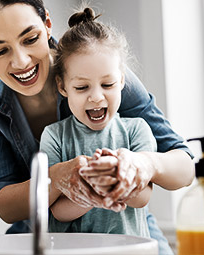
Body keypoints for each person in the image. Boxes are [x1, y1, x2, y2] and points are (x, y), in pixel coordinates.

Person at [0, 0, 194, 254]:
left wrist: (145, 164)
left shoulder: (98, 65)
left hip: (127, 232)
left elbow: (183, 166)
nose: (21, 61)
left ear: (47, 25)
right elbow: (5, 205)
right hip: (40, 234)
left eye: (30, 39)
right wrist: (57, 178)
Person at [40, 7, 155, 237]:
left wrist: (114, 182)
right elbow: (57, 211)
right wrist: (93, 193)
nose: (96, 97)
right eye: (82, 87)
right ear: (63, 87)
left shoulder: (136, 130)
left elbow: (143, 197)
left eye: (108, 84)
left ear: (121, 80)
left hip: (128, 252)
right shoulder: (53, 136)